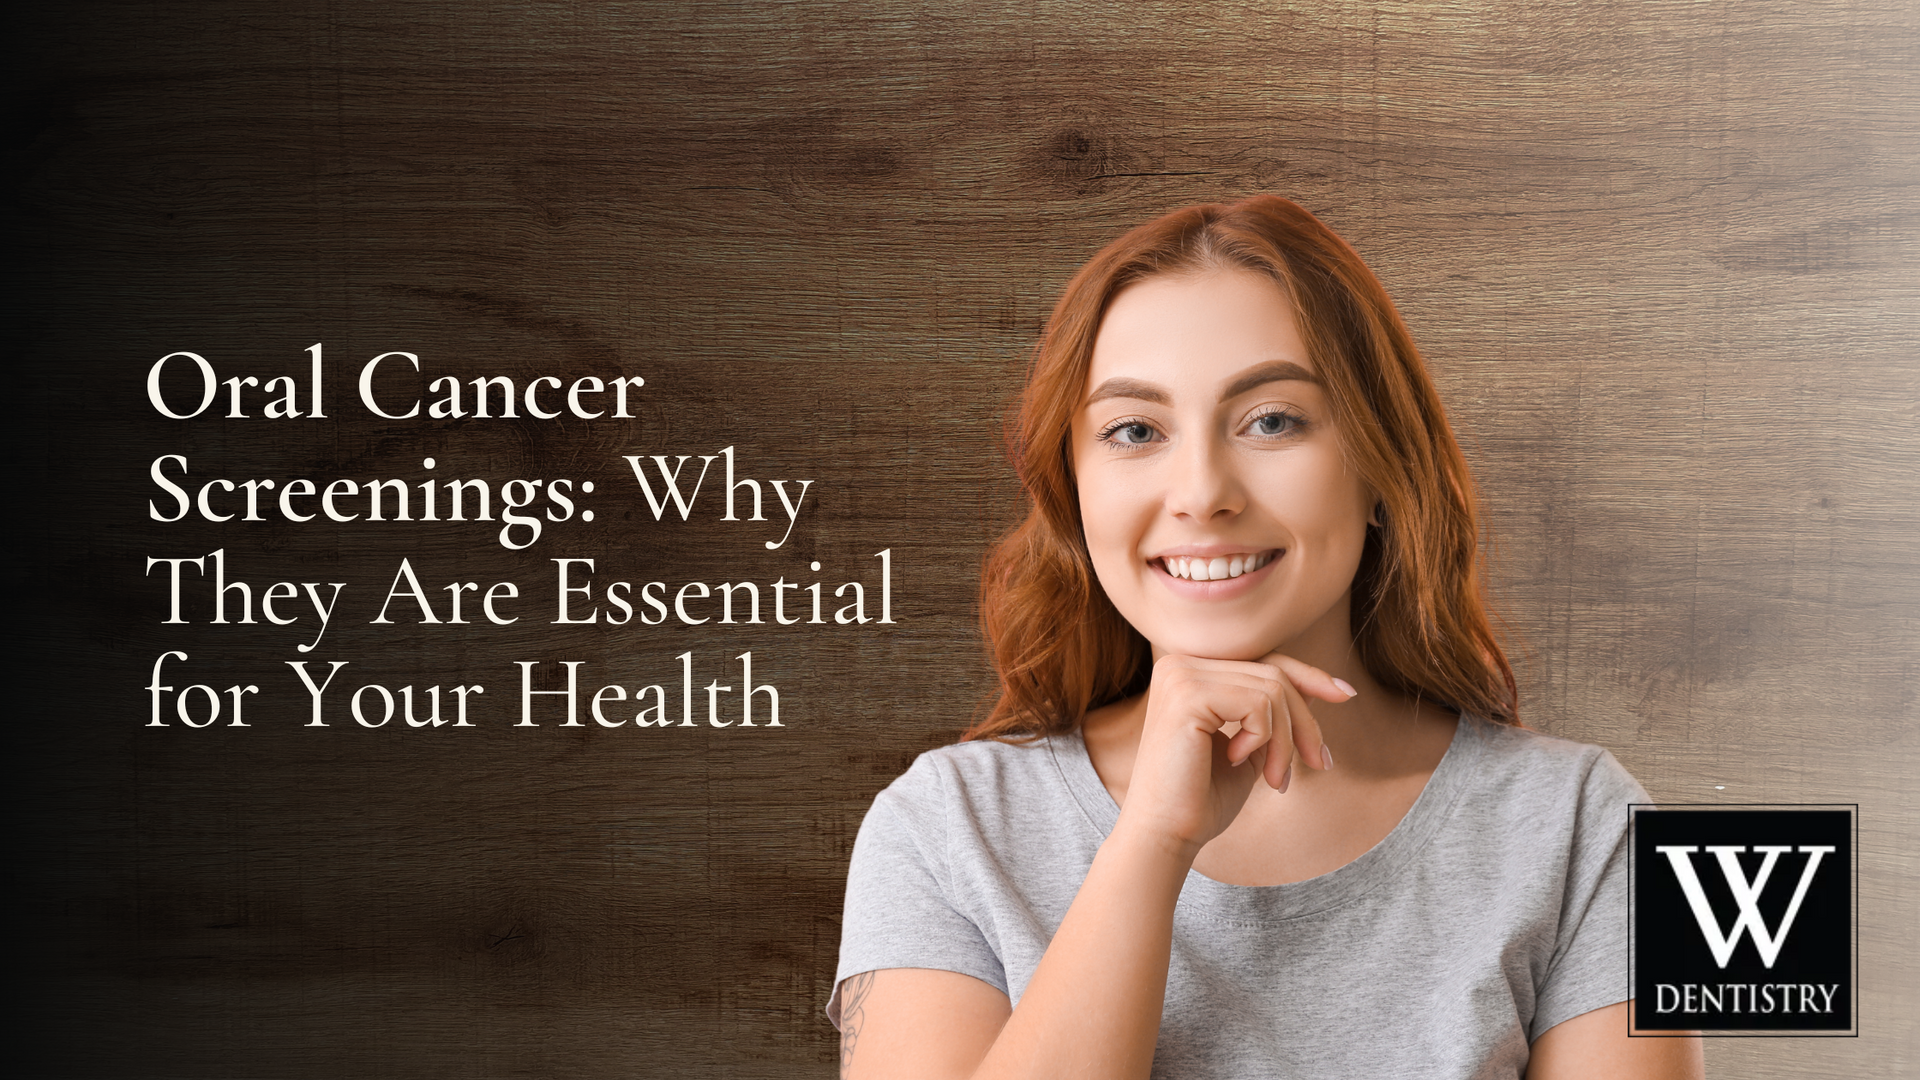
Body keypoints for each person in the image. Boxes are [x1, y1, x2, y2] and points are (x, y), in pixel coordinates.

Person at [829, 196, 1704, 1079]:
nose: (1202, 491)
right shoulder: (946, 829)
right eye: (1135, 430)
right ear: (1074, 490)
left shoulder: (1585, 828)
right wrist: (1152, 844)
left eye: (1273, 420)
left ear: (1379, 467)